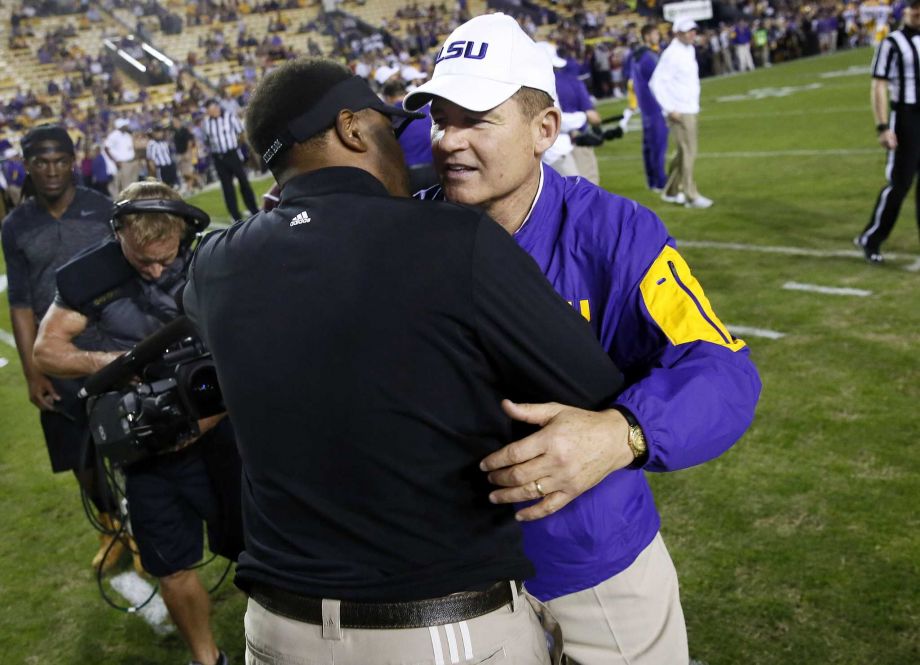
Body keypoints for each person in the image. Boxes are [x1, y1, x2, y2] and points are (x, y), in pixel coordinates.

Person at [184, 57, 625, 665]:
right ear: (352, 129)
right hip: (434, 625)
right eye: (389, 127)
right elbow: (592, 385)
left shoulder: (214, 264)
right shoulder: (451, 239)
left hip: (275, 627)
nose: (412, 146)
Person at [404, 13, 761, 665]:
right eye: (440, 117)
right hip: (447, 580)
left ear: (545, 130)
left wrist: (621, 433)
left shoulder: (618, 232)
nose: (448, 140)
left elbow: (723, 369)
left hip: (594, 566)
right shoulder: (402, 233)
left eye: (476, 118)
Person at [32, 180, 235, 665]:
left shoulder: (211, 255)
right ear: (118, 233)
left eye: (166, 258)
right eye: (144, 261)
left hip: (224, 430)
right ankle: (207, 659)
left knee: (259, 542)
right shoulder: (89, 275)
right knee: (170, 565)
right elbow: (47, 349)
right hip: (151, 446)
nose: (158, 270)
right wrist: (114, 362)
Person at [0, 124, 121, 572]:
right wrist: (34, 370)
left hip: (109, 348)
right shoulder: (15, 226)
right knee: (80, 459)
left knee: (133, 444)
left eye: (60, 161)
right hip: (55, 360)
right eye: (41, 162)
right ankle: (112, 529)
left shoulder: (103, 208)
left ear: (74, 161)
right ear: (27, 166)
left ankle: (145, 530)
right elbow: (20, 303)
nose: (51, 171)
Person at [857, 0, 920, 264]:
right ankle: (871, 238)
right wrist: (883, 126)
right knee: (900, 184)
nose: (918, 13)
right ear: (904, 11)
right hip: (905, 117)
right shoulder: (892, 42)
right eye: (914, 8)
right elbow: (878, 85)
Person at [650, 18, 714, 209]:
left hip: (689, 107)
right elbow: (656, 82)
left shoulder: (688, 49)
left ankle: (671, 190)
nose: (692, 33)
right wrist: (669, 108)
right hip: (680, 110)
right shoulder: (672, 54)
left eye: (694, 30)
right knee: (688, 152)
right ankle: (690, 195)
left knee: (683, 152)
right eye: (688, 31)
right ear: (677, 33)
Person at [625, 24, 669, 193]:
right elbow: (660, 80)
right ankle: (660, 182)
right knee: (658, 145)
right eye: (654, 34)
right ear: (646, 36)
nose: (657, 36)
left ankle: (651, 181)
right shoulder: (648, 57)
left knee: (649, 146)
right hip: (655, 105)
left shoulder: (636, 55)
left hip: (645, 106)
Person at [202, 97, 259, 222]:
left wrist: (241, 148)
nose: (213, 111)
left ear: (217, 107)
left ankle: (253, 209)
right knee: (227, 187)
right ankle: (235, 215)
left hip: (232, 154)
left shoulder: (230, 117)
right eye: (210, 110)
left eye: (213, 108)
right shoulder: (206, 123)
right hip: (219, 158)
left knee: (244, 182)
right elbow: (206, 140)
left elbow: (241, 132)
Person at [381, 77, 438, 192]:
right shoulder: (426, 108)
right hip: (435, 169)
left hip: (410, 173)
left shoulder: (390, 116)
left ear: (388, 97)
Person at [104, 118, 138, 197]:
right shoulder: (114, 135)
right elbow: (106, 148)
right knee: (125, 184)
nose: (127, 126)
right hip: (123, 162)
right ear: (121, 126)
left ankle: (131, 199)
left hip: (132, 161)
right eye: (125, 125)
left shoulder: (127, 135)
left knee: (133, 183)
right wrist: (115, 161)